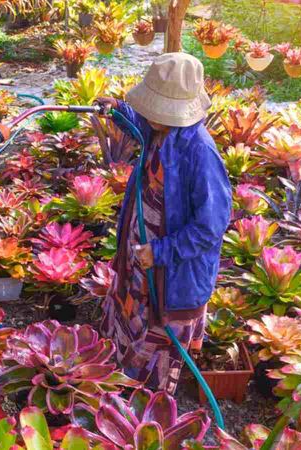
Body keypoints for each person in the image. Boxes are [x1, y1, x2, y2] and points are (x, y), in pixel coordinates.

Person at [95, 52, 232, 394]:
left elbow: (211, 226)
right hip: (142, 257)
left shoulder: (200, 152)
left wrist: (161, 252)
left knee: (157, 344)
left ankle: (145, 405)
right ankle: (120, 379)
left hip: (170, 270)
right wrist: (117, 110)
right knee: (129, 320)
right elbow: (140, 128)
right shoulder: (161, 129)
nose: (150, 114)